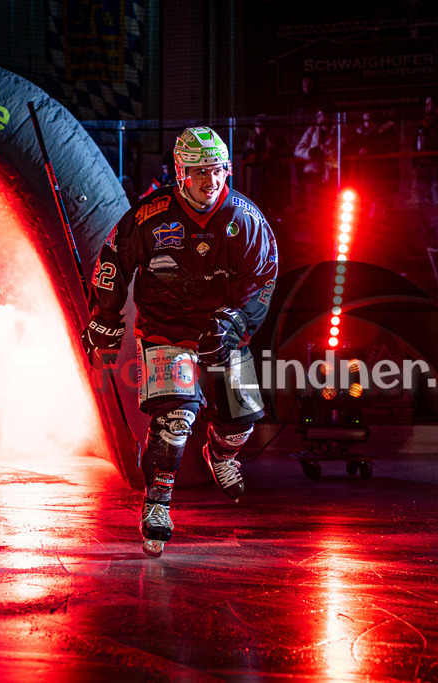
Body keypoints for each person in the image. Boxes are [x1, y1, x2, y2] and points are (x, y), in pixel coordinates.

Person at [82, 126, 278, 558]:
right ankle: (157, 505)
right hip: (165, 328)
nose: (211, 182)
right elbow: (113, 258)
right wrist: (105, 317)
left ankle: (222, 455)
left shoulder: (246, 219)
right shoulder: (150, 214)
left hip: (222, 329)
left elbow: (263, 275)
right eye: (200, 172)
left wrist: (239, 322)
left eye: (219, 170)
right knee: (175, 420)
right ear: (179, 172)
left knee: (241, 421)